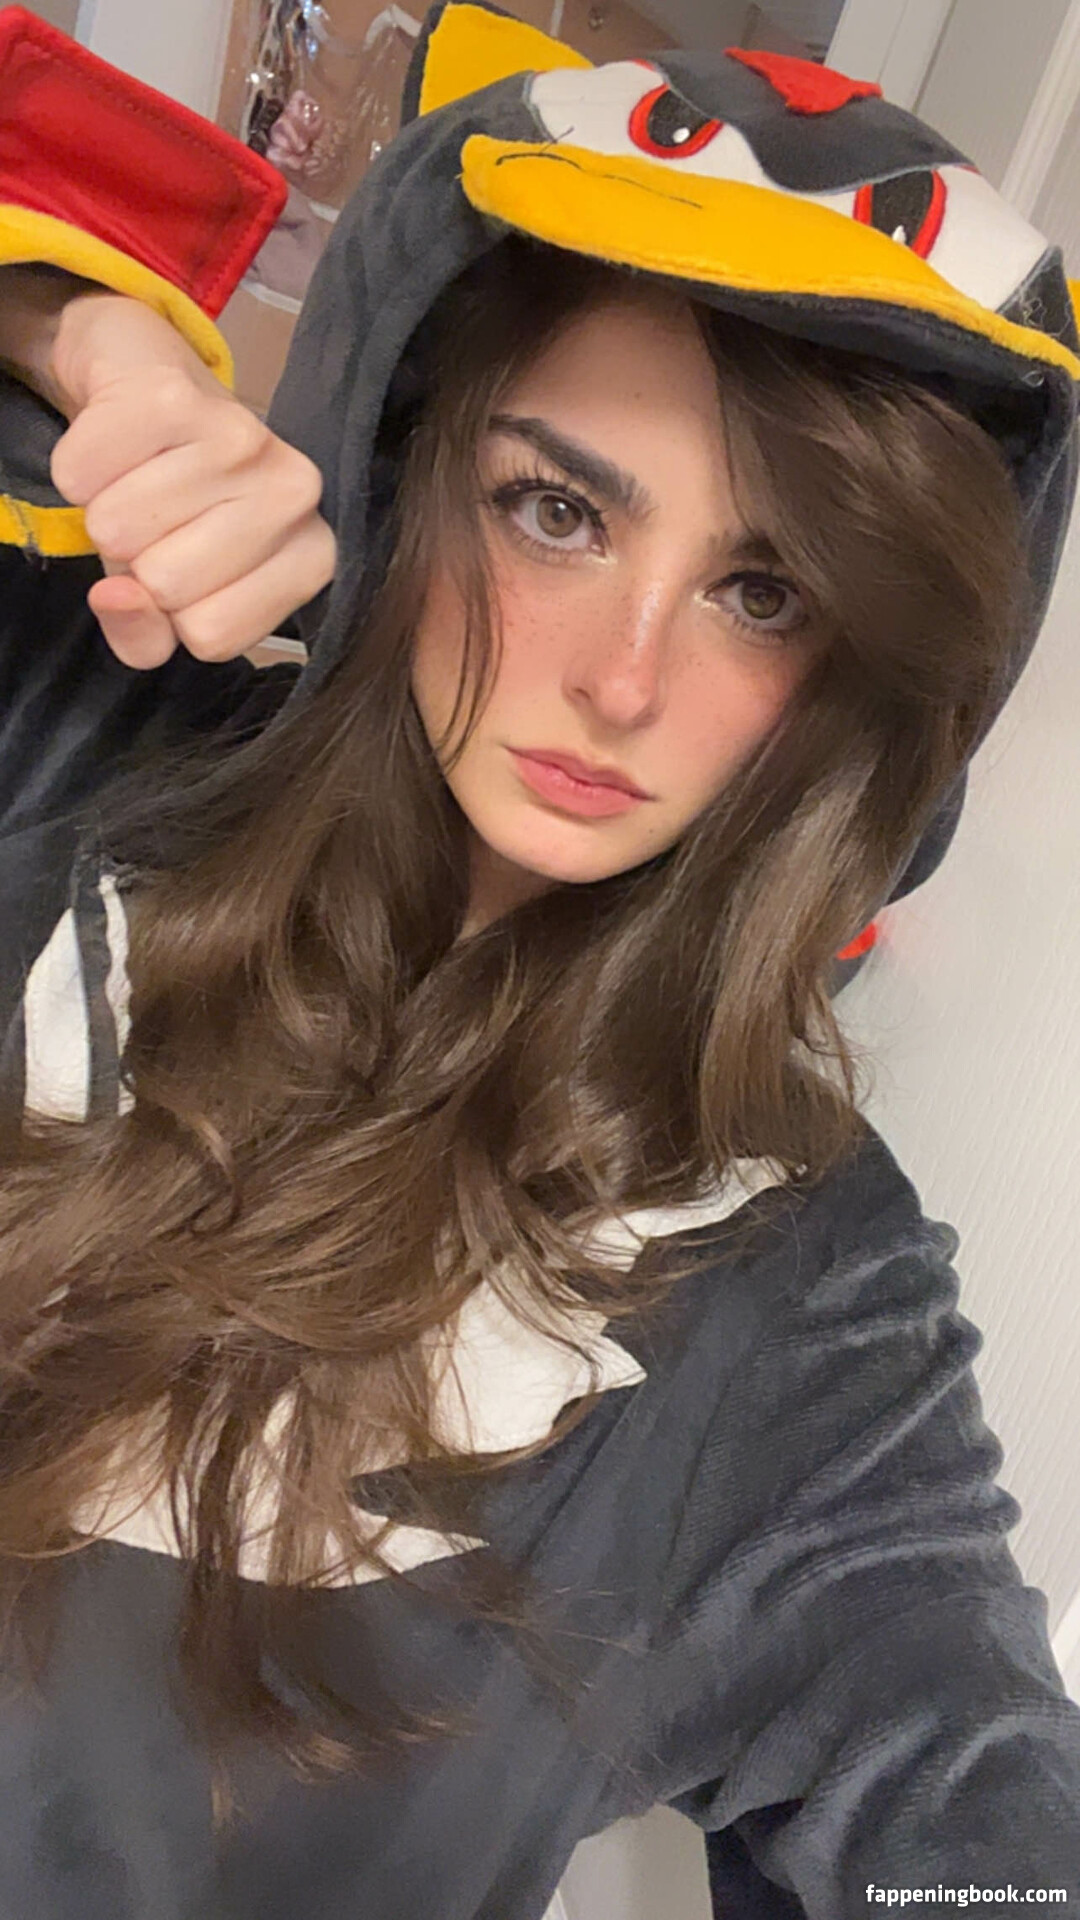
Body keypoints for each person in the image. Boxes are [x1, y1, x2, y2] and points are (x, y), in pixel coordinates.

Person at [0, 4, 1078, 1916]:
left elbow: (969, 1785)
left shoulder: (798, 1306)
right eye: (557, 512)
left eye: (764, 590)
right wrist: (78, 333)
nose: (624, 680)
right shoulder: (70, 728)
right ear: (406, 468)